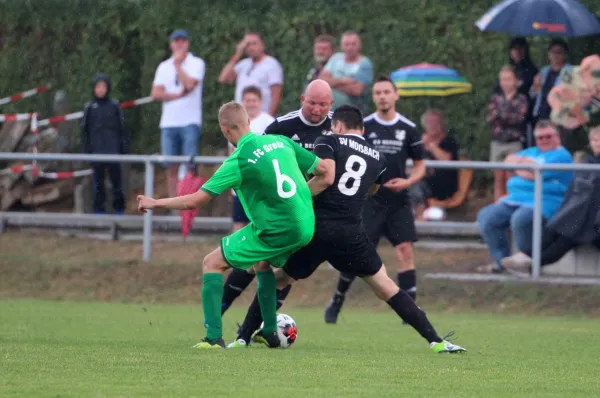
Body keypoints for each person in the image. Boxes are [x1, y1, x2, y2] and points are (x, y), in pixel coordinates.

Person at [228, 105, 466, 354]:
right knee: (386, 286)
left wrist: (294, 199)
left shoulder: (329, 141)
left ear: (338, 126)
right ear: (362, 129)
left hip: (316, 231)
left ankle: (243, 336)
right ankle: (437, 341)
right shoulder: (378, 157)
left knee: (278, 279)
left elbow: (324, 176)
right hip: (351, 233)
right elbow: (373, 189)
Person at [137, 101, 333, 348]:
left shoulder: (238, 160)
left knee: (212, 263)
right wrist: (300, 196)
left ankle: (213, 338)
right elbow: (325, 171)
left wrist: (155, 202)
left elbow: (195, 201)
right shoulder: (281, 141)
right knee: (262, 265)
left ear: (225, 131)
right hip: (306, 225)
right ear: (249, 122)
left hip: (277, 228)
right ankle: (270, 332)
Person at [217, 79, 334, 316]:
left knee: (286, 271)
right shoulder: (282, 126)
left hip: (320, 213)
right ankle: (220, 310)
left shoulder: (338, 126)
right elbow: (257, 159)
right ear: (303, 99)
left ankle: (256, 327)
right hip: (284, 211)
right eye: (312, 103)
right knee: (255, 264)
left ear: (330, 103)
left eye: (323, 104)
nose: (317, 109)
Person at [324, 76, 426, 323]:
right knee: (356, 254)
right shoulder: (365, 126)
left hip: (398, 201)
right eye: (378, 92)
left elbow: (421, 166)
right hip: (370, 201)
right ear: (374, 97)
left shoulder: (408, 128)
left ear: (395, 95)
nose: (382, 96)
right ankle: (338, 298)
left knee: (404, 250)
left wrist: (408, 181)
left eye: (386, 92)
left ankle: (409, 309)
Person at [477, 120, 573, 274]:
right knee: (487, 216)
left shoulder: (562, 155)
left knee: (521, 218)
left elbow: (535, 173)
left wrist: (520, 167)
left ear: (557, 137)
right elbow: (509, 160)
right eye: (540, 138)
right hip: (515, 198)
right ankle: (501, 262)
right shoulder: (532, 152)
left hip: (546, 200)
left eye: (548, 136)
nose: (544, 140)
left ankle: (526, 265)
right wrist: (526, 166)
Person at [502, 126, 600, 275]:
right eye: (594, 139)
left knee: (568, 229)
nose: (597, 143)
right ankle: (528, 260)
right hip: (583, 219)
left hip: (593, 222)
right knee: (566, 229)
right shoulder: (589, 162)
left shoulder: (581, 162)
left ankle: (529, 260)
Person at [151, 29, 205, 198]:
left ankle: (189, 204)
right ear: (171, 44)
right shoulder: (163, 66)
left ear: (187, 43)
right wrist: (176, 95)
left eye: (182, 40)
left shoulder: (197, 63)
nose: (179, 44)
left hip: (190, 121)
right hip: (169, 123)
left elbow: (189, 85)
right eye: (176, 41)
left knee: (190, 165)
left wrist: (178, 65)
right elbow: (155, 93)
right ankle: (174, 204)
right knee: (171, 167)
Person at [81, 73, 128, 215]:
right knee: (98, 184)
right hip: (97, 152)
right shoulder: (89, 107)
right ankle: (98, 211)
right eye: (98, 87)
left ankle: (119, 210)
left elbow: (122, 129)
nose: (101, 90)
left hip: (113, 152)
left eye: (103, 87)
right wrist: (87, 150)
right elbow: (85, 131)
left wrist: (124, 149)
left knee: (117, 184)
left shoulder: (114, 106)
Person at [229, 86, 275, 231]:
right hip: (242, 181)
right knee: (239, 220)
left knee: (261, 222)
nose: (250, 103)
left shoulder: (269, 121)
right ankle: (236, 252)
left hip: (262, 181)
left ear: (260, 102)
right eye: (247, 100)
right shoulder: (234, 123)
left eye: (254, 100)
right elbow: (231, 152)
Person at [488, 65, 529, 201]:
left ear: (516, 81)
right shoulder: (495, 98)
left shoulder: (522, 99)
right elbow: (491, 118)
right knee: (498, 180)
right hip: (497, 142)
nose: (505, 82)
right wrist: (506, 115)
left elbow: (519, 118)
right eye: (502, 79)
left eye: (508, 79)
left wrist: (501, 115)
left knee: (511, 180)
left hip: (514, 143)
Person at [218, 32, 283, 116]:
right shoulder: (243, 64)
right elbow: (223, 78)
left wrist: (268, 119)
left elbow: (276, 95)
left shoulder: (272, 64)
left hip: (261, 117)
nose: (251, 47)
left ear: (262, 45)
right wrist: (237, 55)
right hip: (242, 118)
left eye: (254, 44)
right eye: (247, 45)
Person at [410, 109, 459, 220]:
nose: (432, 125)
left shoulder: (449, 141)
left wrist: (431, 146)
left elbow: (446, 160)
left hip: (444, 184)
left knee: (417, 183)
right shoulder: (420, 141)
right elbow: (410, 162)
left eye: (436, 122)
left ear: (442, 124)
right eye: (429, 122)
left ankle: (419, 217)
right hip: (424, 181)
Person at [319, 31, 373, 112]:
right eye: (346, 44)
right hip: (329, 109)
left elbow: (356, 90)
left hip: (352, 108)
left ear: (359, 45)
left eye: (353, 44)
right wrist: (343, 80)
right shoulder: (336, 58)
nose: (350, 47)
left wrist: (331, 84)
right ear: (342, 46)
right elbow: (321, 79)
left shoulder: (365, 63)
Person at [532, 39, 572, 126]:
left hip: (560, 117)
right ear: (549, 53)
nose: (555, 55)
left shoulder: (571, 72)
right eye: (553, 52)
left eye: (559, 52)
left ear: (565, 54)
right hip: (541, 115)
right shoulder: (543, 71)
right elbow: (533, 94)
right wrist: (536, 86)